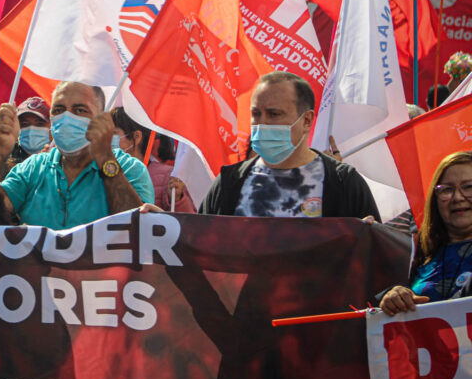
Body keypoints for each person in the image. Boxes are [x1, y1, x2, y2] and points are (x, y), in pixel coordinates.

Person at [200, 71, 380, 220]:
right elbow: (200, 248)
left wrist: (366, 237)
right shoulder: (229, 182)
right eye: (256, 114)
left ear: (306, 120)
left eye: (274, 114)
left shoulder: (343, 183)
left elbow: (374, 256)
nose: (262, 123)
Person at [0, 80, 154, 229]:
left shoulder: (130, 167)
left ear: (101, 118)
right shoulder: (33, 168)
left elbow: (138, 228)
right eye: (58, 110)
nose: (67, 118)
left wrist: (105, 159)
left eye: (80, 110)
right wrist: (0, 151)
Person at [380, 152, 472, 315]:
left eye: (469, 187)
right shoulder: (414, 253)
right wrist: (394, 296)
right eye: (446, 190)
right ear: (435, 200)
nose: (457, 197)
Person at [110, 108, 195, 212]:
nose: (108, 139)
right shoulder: (102, 171)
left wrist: (177, 199)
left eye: (114, 134)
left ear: (137, 137)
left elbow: (185, 223)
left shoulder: (169, 177)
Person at [13, 96, 51, 163]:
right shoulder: (5, 162)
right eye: (24, 124)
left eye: (39, 124)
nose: (31, 130)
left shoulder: (64, 163)